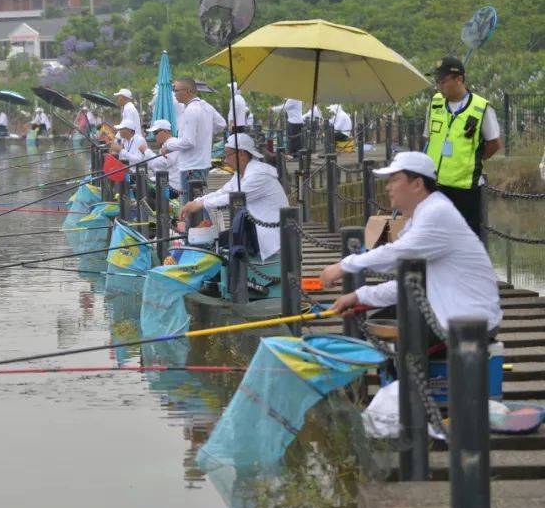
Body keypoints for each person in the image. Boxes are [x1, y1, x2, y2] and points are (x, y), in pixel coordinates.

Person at [319, 151, 502, 339]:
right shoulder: (423, 215)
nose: (388, 187)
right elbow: (410, 284)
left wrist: (344, 266)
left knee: (389, 336)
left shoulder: (436, 213)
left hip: (471, 323)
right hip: (451, 312)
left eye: (395, 180)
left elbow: (397, 255)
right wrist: (359, 297)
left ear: (417, 184)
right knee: (379, 325)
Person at [421, 56, 502, 236]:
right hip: (436, 186)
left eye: (442, 81)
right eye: (436, 82)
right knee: (436, 240)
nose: (438, 86)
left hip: (466, 190)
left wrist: (475, 159)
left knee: (466, 240)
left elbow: (495, 143)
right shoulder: (435, 104)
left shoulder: (481, 108)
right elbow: (429, 139)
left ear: (459, 79)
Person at [181, 134, 288, 261]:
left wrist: (201, 204)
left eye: (227, 154)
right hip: (254, 227)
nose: (225, 160)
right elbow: (223, 191)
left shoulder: (258, 175)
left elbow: (231, 198)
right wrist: (196, 201)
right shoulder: (242, 173)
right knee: (214, 243)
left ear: (241, 154)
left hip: (267, 235)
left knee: (213, 247)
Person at [159, 78, 217, 188]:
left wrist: (167, 146)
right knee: (198, 201)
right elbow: (221, 124)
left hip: (191, 166)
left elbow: (188, 142)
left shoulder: (190, 110)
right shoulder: (206, 106)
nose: (174, 93)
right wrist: (205, 134)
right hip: (203, 163)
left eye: (176, 90)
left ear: (188, 91)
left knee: (190, 203)